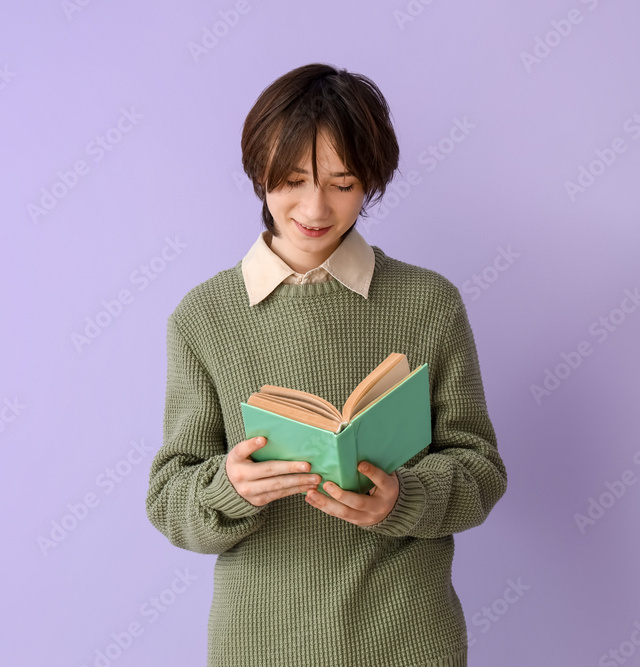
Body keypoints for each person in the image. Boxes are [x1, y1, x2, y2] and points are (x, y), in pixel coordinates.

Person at [145, 62, 507, 667]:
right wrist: (229, 488)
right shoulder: (203, 316)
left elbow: (481, 470)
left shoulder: (429, 303)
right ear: (258, 172)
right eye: (291, 179)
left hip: (408, 640)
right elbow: (169, 497)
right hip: (258, 644)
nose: (315, 207)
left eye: (342, 184)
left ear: (371, 181)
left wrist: (403, 498)